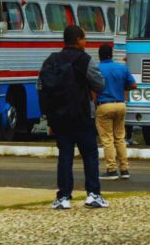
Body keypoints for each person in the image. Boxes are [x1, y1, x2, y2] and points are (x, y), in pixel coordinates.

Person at [39, 25, 107, 209]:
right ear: (78, 40)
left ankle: (63, 197)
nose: (86, 42)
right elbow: (99, 84)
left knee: (65, 156)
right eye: (84, 39)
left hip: (60, 118)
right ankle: (93, 194)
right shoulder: (85, 60)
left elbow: (44, 87)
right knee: (90, 155)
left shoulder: (51, 60)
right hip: (83, 116)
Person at [95, 44, 137, 180]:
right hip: (120, 105)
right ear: (111, 55)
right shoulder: (121, 68)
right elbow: (133, 85)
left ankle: (111, 170)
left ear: (99, 55)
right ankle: (124, 169)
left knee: (107, 139)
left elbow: (92, 87)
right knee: (120, 138)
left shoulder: (97, 69)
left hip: (105, 106)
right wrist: (121, 88)